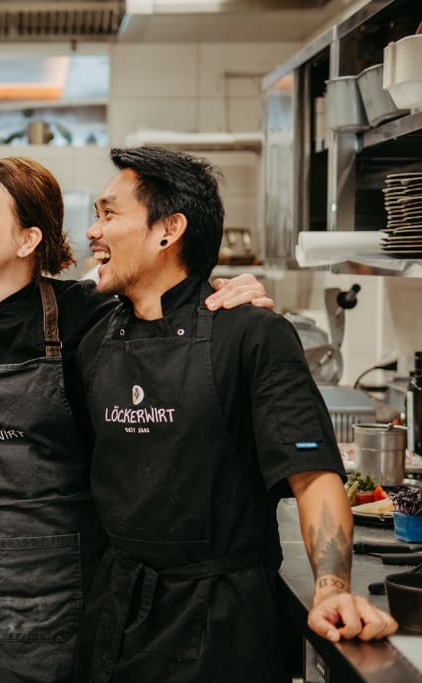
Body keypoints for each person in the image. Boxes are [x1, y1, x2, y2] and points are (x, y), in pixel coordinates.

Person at [0, 156, 271, 682]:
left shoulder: (89, 315)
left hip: (65, 589)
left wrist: (228, 294)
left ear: (27, 240)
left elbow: (167, 308)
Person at [78, 146, 398, 683]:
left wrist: (331, 589)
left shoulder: (252, 334)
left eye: (109, 214)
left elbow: (313, 475)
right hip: (118, 616)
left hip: (222, 624)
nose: (93, 230)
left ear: (168, 230)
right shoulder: (93, 338)